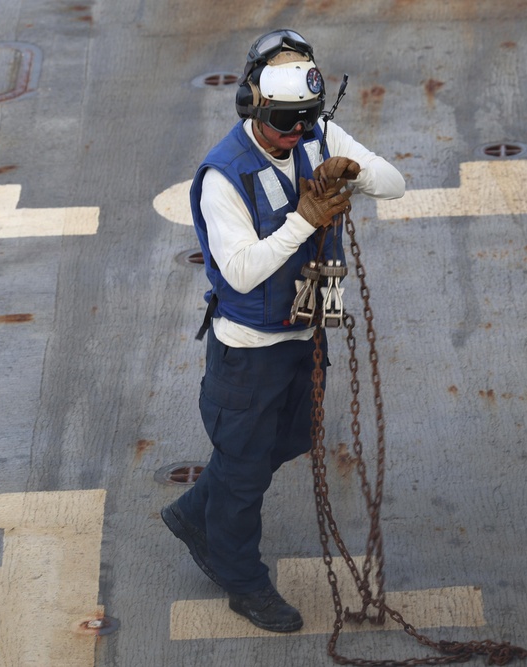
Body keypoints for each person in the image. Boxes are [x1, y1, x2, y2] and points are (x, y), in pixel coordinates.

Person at [161, 28, 405, 633]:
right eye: (285, 124)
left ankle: (195, 511)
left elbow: (394, 182)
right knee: (243, 473)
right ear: (254, 108)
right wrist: (304, 219)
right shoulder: (224, 177)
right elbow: (241, 273)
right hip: (250, 350)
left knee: (287, 439)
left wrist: (353, 170)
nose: (296, 135)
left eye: (305, 122)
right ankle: (242, 580)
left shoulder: (315, 135)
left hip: (307, 329)